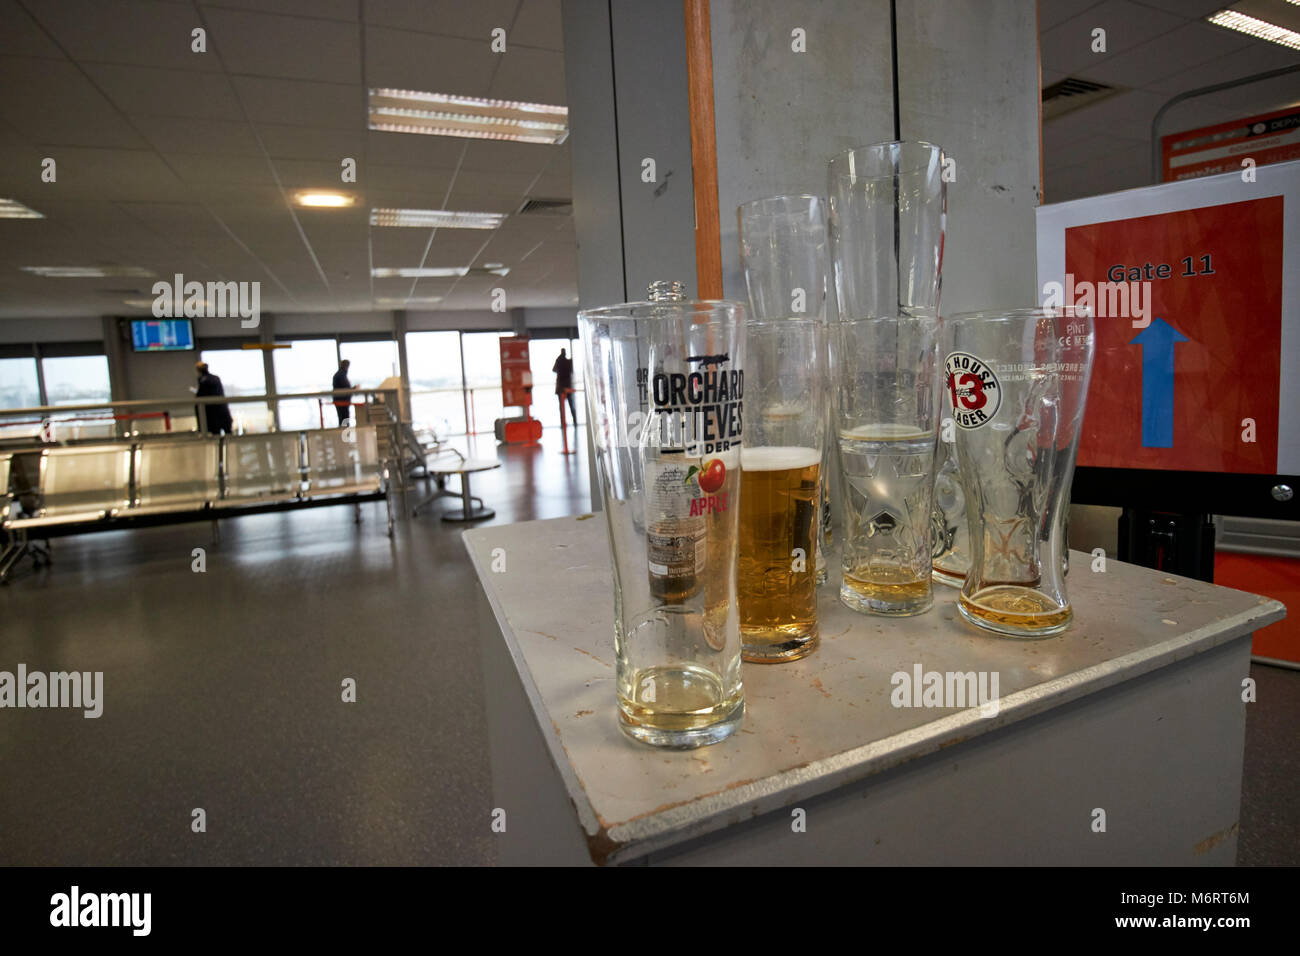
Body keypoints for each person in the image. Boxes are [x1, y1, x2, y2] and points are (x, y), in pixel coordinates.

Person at [195, 362, 233, 435]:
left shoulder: (203, 380)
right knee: (228, 434)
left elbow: (200, 396)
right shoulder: (216, 378)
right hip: (223, 412)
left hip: (213, 415)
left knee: (216, 435)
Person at [552, 348, 577, 427]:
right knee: (571, 405)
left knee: (562, 407)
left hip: (561, 387)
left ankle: (563, 423)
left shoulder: (559, 361)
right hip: (567, 386)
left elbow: (554, 369)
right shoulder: (568, 362)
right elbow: (571, 371)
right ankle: (574, 422)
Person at [331, 359, 353, 426]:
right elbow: (345, 387)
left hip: (341, 400)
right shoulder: (341, 375)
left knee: (343, 418)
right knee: (344, 418)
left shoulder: (340, 374)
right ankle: (345, 434)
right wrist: (353, 388)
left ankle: (344, 433)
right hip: (342, 401)